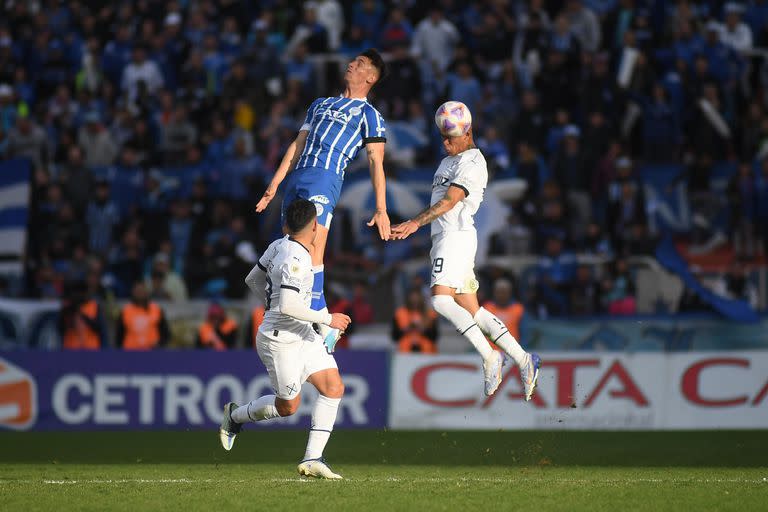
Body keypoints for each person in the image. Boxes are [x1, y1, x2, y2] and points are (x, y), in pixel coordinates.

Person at [390, 101, 541, 400]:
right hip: (446, 238)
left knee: (440, 303)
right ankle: (524, 359)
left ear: (468, 131)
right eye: (442, 137)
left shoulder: (473, 162)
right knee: (473, 310)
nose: (445, 142)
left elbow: (450, 202)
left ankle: (489, 356)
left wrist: (414, 223)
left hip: (455, 236)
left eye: (451, 137)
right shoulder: (447, 161)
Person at [254, 48, 390, 354]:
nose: (352, 64)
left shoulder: (369, 115)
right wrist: (274, 184)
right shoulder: (320, 104)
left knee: (315, 248)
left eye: (361, 64)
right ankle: (309, 319)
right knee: (292, 248)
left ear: (371, 77)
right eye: (353, 60)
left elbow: (375, 162)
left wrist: (381, 208)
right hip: (296, 179)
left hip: (325, 178)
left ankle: (324, 322)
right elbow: (297, 144)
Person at [220, 199, 351, 480]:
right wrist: (328, 319)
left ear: (286, 225)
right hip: (280, 341)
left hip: (301, 333)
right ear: (315, 226)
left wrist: (271, 304)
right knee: (287, 406)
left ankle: (312, 458)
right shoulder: (296, 259)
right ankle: (235, 416)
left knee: (333, 386)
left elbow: (252, 280)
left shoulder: (279, 244)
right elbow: (288, 306)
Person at [116, 281, 170, 350]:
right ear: (133, 292)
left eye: (142, 290)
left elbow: (165, 333)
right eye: (137, 290)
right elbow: (119, 335)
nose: (140, 293)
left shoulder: (156, 309)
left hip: (152, 353)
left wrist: (160, 344)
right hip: (130, 353)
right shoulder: (125, 311)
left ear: (146, 292)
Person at [392, 287, 438, 353]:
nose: (415, 300)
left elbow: (434, 336)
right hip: (405, 350)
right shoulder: (400, 313)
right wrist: (407, 329)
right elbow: (395, 336)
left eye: (417, 297)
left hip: (426, 350)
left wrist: (424, 330)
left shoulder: (430, 314)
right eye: (413, 297)